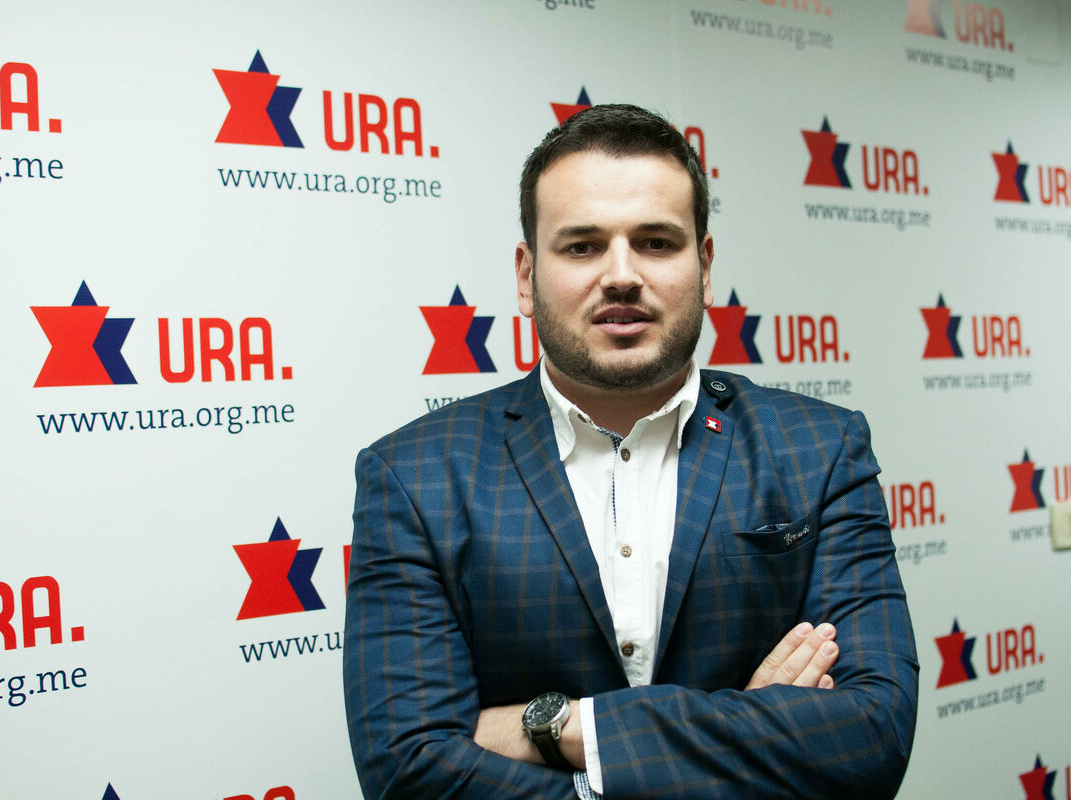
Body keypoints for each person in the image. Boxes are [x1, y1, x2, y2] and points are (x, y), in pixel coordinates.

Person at [343, 104, 918, 799]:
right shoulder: (415, 477)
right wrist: (752, 729)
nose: (621, 274)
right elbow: (408, 772)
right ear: (526, 275)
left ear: (705, 266)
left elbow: (872, 734)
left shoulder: (819, 449)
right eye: (582, 247)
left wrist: (557, 728)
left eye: (655, 242)